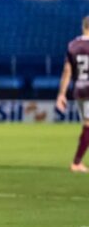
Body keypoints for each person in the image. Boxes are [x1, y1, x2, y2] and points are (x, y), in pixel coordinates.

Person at [56, 15, 89, 173]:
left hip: (80, 89)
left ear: (83, 27)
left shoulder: (73, 45)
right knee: (88, 126)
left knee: (88, 126)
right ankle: (76, 163)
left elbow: (67, 71)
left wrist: (62, 94)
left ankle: (77, 162)